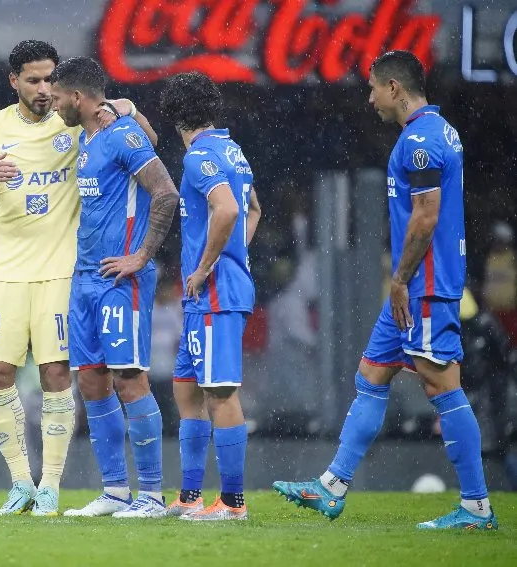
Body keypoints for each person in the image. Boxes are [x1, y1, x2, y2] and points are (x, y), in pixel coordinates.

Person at [273, 50, 498, 530]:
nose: (370, 98)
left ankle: (477, 507)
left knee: (442, 385)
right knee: (371, 374)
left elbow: (426, 215)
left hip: (425, 286)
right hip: (417, 285)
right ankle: (333, 486)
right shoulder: (439, 131)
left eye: (373, 88)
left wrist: (398, 280)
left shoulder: (420, 140)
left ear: (394, 87)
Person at [0, 40, 157, 516]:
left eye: (51, 79)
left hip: (61, 269)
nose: (45, 89)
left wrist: (126, 106)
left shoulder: (73, 120)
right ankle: (20, 482)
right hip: (6, 269)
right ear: (14, 81)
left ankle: (49, 485)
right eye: (34, 80)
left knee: (56, 374)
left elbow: (145, 139)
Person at [48, 56, 179, 518]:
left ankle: (152, 495)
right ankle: (115, 491)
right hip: (85, 276)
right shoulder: (90, 135)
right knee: (91, 380)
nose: (53, 104)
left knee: (129, 378)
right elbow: (151, 137)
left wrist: (141, 256)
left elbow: (166, 192)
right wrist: (128, 108)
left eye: (58, 97)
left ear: (77, 97)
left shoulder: (121, 133)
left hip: (120, 279)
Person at [158, 72, 262, 521]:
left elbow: (230, 209)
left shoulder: (199, 155)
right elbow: (253, 210)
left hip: (214, 292)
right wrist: (234, 251)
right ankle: (190, 496)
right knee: (186, 388)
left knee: (219, 393)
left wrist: (206, 266)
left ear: (175, 116)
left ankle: (233, 502)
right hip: (205, 296)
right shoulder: (231, 149)